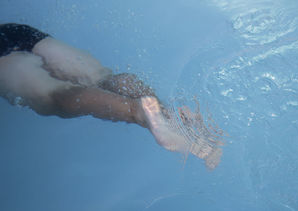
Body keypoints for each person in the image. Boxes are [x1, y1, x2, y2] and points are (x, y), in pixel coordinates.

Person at [0, 23, 223, 169]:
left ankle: (137, 112)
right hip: (14, 32)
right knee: (101, 77)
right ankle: (168, 115)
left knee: (53, 96)